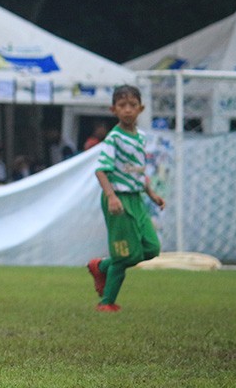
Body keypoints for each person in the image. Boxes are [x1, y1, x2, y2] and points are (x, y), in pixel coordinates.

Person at [86, 85, 165, 312]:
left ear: (141, 108)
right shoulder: (114, 138)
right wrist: (111, 197)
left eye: (132, 105)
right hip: (118, 199)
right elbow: (101, 171)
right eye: (122, 105)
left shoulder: (140, 137)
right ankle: (106, 303)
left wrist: (152, 194)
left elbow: (138, 171)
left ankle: (101, 266)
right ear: (113, 110)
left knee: (151, 248)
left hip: (136, 199)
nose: (128, 110)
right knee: (123, 255)